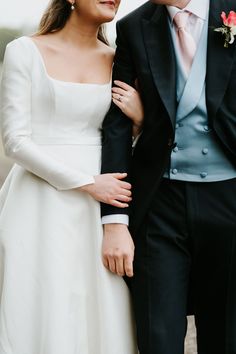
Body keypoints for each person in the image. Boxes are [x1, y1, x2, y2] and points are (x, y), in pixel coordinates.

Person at [0, 0, 143, 353]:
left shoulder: (116, 58)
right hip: (39, 200)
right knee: (41, 299)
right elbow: (14, 141)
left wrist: (140, 122)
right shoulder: (25, 51)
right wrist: (87, 183)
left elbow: (118, 138)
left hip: (102, 205)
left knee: (101, 303)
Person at [101, 0, 236, 353]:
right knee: (157, 336)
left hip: (229, 198)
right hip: (160, 202)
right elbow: (115, 126)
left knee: (226, 336)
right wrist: (114, 219)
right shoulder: (134, 26)